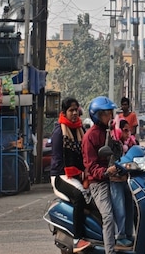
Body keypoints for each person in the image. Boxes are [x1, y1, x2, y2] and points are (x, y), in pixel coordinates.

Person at [82, 96, 131, 253]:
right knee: (108, 216)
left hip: (114, 178)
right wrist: (104, 172)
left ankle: (127, 239)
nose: (110, 116)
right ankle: (110, 251)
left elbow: (120, 151)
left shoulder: (111, 132)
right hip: (99, 182)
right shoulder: (90, 136)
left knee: (133, 202)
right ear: (97, 115)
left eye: (111, 113)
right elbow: (90, 166)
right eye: (106, 114)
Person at [50, 97, 90, 253]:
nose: (74, 113)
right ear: (64, 112)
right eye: (70, 110)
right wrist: (77, 173)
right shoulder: (60, 132)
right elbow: (59, 162)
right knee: (80, 196)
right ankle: (77, 238)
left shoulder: (80, 129)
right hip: (61, 176)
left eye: (76, 110)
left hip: (77, 175)